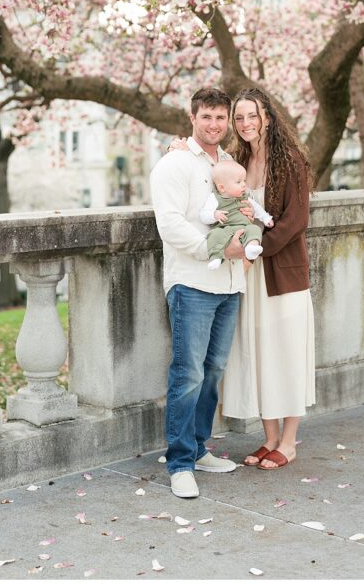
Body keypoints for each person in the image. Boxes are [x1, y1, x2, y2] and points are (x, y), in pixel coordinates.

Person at [150, 87, 252, 499]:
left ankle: (198, 448)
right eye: (207, 116)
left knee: (213, 372)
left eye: (221, 118)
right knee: (187, 373)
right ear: (193, 118)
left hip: (230, 283)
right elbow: (170, 225)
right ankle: (178, 464)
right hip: (192, 283)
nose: (215, 124)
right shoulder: (173, 164)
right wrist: (217, 248)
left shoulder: (228, 164)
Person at [222, 87, 315, 471]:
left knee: (287, 352)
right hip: (250, 275)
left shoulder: (290, 160)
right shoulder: (238, 160)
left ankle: (289, 442)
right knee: (259, 352)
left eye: (252, 116)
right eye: (239, 117)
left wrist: (256, 250)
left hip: (281, 274)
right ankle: (270, 438)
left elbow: (296, 220)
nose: (246, 124)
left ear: (268, 118)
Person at [200, 162, 271, 270]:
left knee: (254, 229)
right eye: (238, 182)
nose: (244, 185)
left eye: (244, 181)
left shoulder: (244, 197)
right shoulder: (215, 198)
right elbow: (204, 215)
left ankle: (251, 247)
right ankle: (216, 257)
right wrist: (214, 214)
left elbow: (257, 209)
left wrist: (266, 218)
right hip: (224, 229)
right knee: (214, 235)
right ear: (222, 188)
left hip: (244, 228)